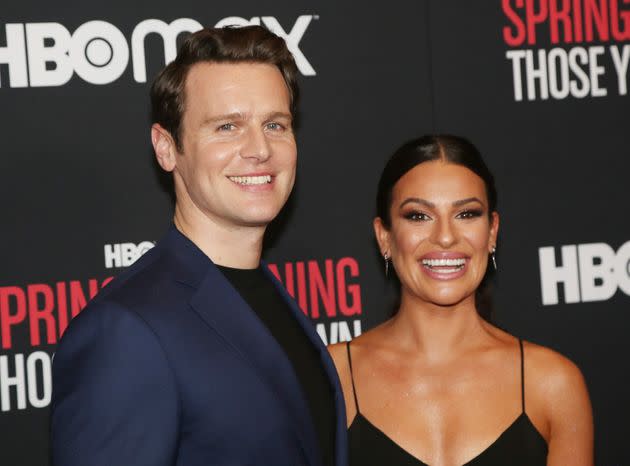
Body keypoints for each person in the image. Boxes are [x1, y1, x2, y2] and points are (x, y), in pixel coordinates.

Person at [51, 26, 347, 466]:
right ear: (167, 149)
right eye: (227, 127)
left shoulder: (272, 297)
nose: (260, 149)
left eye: (275, 125)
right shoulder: (126, 332)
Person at [329, 135, 593, 466]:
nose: (445, 236)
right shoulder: (332, 378)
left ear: (492, 231)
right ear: (385, 236)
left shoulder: (552, 384)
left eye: (467, 214)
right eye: (418, 216)